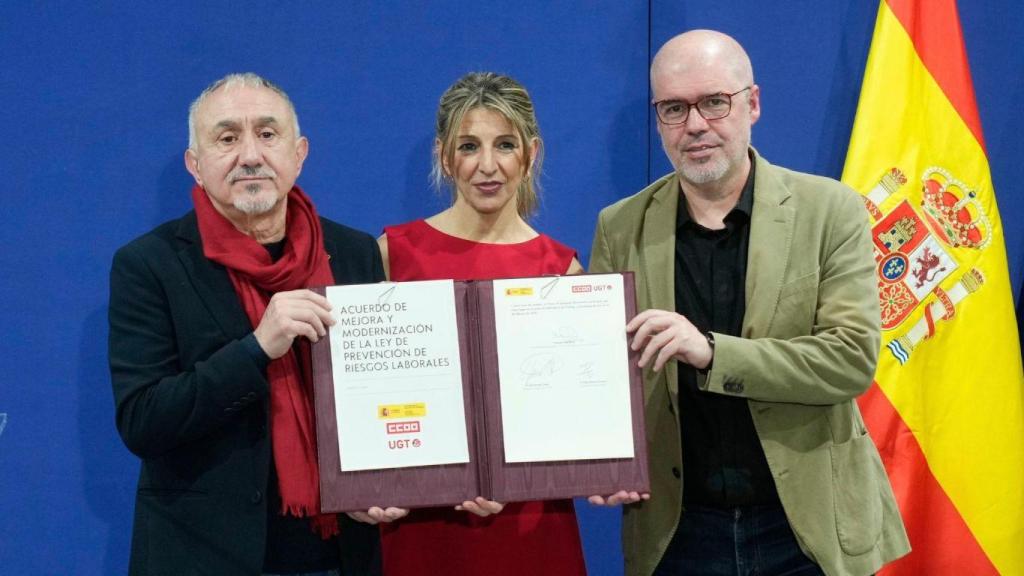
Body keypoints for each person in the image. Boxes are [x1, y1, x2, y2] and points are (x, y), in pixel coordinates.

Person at [588, 31, 911, 576]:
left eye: (714, 102)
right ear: (658, 119)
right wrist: (600, 460)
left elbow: (850, 359)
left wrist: (712, 353)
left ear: (752, 103)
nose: (695, 124)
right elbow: (604, 375)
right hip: (678, 532)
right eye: (674, 108)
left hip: (805, 528)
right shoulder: (620, 226)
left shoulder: (829, 210)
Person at [108, 73, 392, 576]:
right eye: (226, 138)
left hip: (340, 552)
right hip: (201, 555)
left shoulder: (353, 252)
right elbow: (144, 421)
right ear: (195, 165)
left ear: (299, 154)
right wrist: (257, 348)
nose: (250, 155)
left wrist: (385, 482)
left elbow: (382, 395)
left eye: (267, 133)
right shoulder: (150, 264)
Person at [373, 71, 587, 576]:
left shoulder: (563, 270)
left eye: (505, 145)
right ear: (445, 157)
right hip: (422, 524)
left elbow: (574, 417)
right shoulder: (391, 254)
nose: (487, 166)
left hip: (532, 523)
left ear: (531, 154)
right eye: (469, 146)